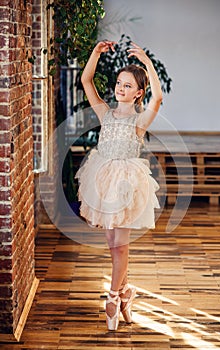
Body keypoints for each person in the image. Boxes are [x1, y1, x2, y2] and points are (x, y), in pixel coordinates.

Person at [75, 40, 163, 331]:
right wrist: (96, 53)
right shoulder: (105, 113)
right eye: (119, 83)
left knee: (119, 247)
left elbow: (158, 98)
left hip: (126, 185)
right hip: (103, 180)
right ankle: (126, 293)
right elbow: (86, 80)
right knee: (113, 244)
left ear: (138, 93)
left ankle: (113, 298)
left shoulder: (139, 121)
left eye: (127, 86)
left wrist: (146, 61)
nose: (120, 89)